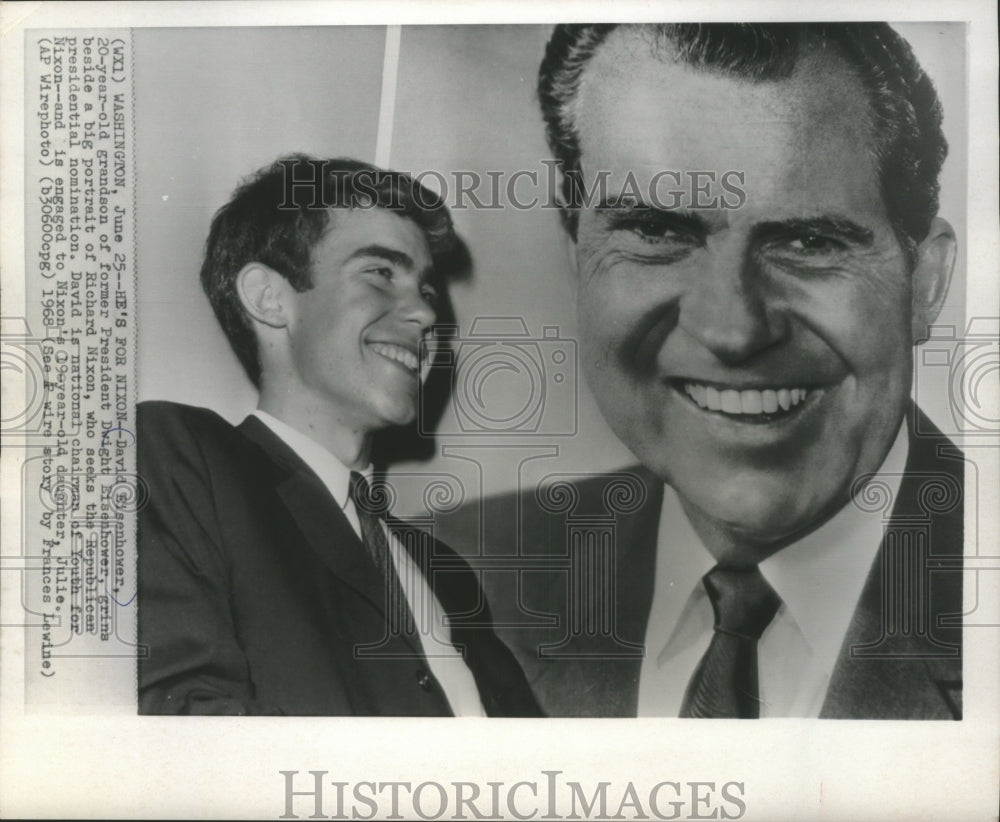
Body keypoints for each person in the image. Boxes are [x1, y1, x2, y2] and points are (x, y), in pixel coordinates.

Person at [437, 23, 964, 719]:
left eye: (809, 241)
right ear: (577, 255)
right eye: (658, 233)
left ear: (925, 283)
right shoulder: (440, 576)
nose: (733, 331)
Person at [137, 156, 541, 717]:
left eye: (426, 289)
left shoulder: (444, 571)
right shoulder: (180, 462)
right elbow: (181, 732)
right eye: (380, 273)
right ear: (268, 297)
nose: (426, 314)